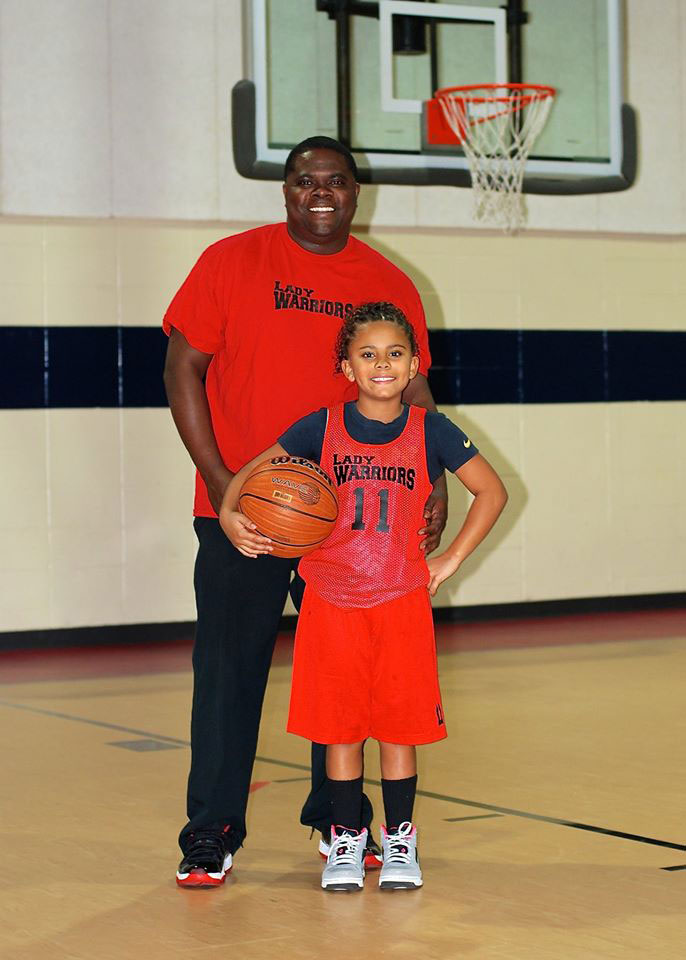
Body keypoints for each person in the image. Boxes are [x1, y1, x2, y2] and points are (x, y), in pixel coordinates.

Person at [163, 137, 448, 887]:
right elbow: (182, 368)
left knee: (343, 677)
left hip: (354, 523)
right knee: (227, 672)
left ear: (357, 192)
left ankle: (339, 820)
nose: (320, 192)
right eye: (305, 180)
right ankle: (211, 831)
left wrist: (436, 483)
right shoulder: (231, 261)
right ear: (286, 190)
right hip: (247, 510)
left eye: (336, 180)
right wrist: (223, 485)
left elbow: (415, 392)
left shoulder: (389, 282)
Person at [219, 302, 508, 891]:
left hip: (401, 601)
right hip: (330, 601)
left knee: (399, 730)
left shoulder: (432, 430)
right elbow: (250, 476)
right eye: (367, 354)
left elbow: (492, 492)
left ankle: (400, 840)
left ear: (414, 365)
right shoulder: (317, 427)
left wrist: (451, 558)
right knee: (340, 730)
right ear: (346, 367)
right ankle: (345, 839)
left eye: (395, 354)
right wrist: (228, 514)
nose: (382, 364)